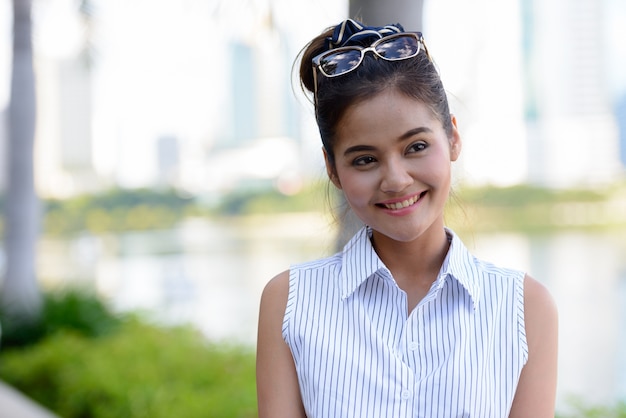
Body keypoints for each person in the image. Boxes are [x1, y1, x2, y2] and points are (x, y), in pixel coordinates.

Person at [257, 18, 558, 418]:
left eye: (415, 146)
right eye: (365, 159)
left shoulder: (525, 307)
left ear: (452, 137)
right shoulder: (289, 302)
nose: (396, 180)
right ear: (332, 169)